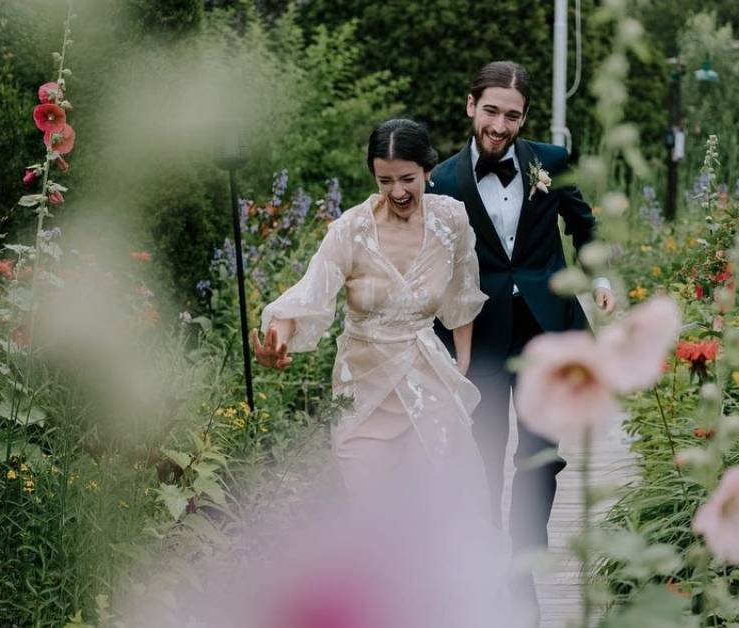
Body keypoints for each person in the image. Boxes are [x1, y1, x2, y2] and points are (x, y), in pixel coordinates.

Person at [429, 60, 616, 607]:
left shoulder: (551, 163)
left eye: (512, 115)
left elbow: (584, 226)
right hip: (475, 335)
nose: (499, 124)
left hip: (545, 330)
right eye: (490, 111)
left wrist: (598, 276)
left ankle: (523, 564)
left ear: (524, 118)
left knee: (540, 455)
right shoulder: (441, 179)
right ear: (471, 107)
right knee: (481, 452)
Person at [252, 118, 491, 507]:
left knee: (436, 511)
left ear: (428, 171)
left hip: (427, 389)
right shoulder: (351, 230)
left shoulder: (451, 221)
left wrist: (460, 363)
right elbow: (310, 291)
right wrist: (277, 335)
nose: (397, 191)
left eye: (407, 178)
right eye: (385, 181)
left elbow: (461, 293)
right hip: (362, 394)